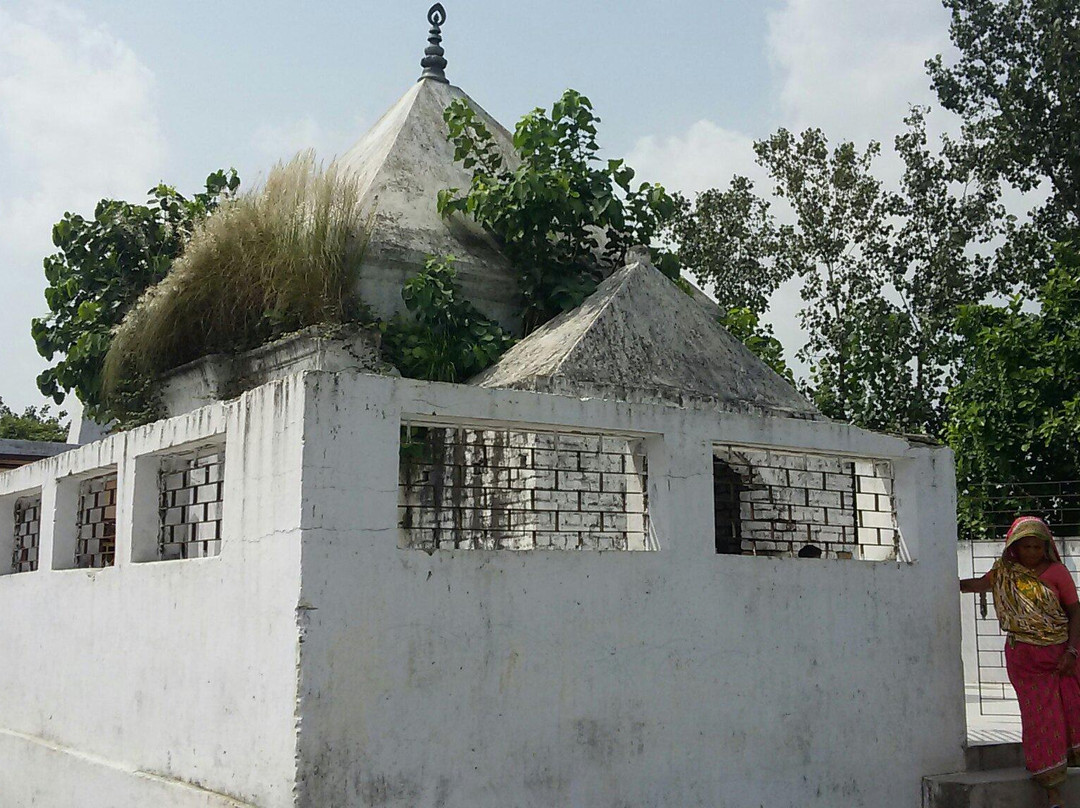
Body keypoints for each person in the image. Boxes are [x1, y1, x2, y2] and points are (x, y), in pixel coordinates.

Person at [961, 516, 1080, 807]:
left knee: (1069, 709)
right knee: (1039, 717)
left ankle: (1060, 767)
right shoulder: (1005, 572)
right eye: (1025, 547)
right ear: (1014, 547)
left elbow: (1076, 612)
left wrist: (1072, 652)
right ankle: (1052, 791)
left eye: (1037, 548)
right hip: (1023, 657)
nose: (1031, 553)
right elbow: (979, 584)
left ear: (1046, 547)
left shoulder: (1057, 573)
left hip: (1059, 656)